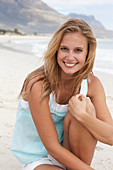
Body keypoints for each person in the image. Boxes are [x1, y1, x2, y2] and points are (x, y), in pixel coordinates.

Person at [11, 18, 113, 170]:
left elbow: (110, 136)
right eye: (64, 49)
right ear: (56, 50)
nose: (70, 57)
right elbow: (52, 146)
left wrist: (83, 116)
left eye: (78, 50)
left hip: (71, 154)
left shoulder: (92, 84)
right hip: (37, 157)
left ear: (87, 53)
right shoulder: (38, 83)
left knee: (84, 107)